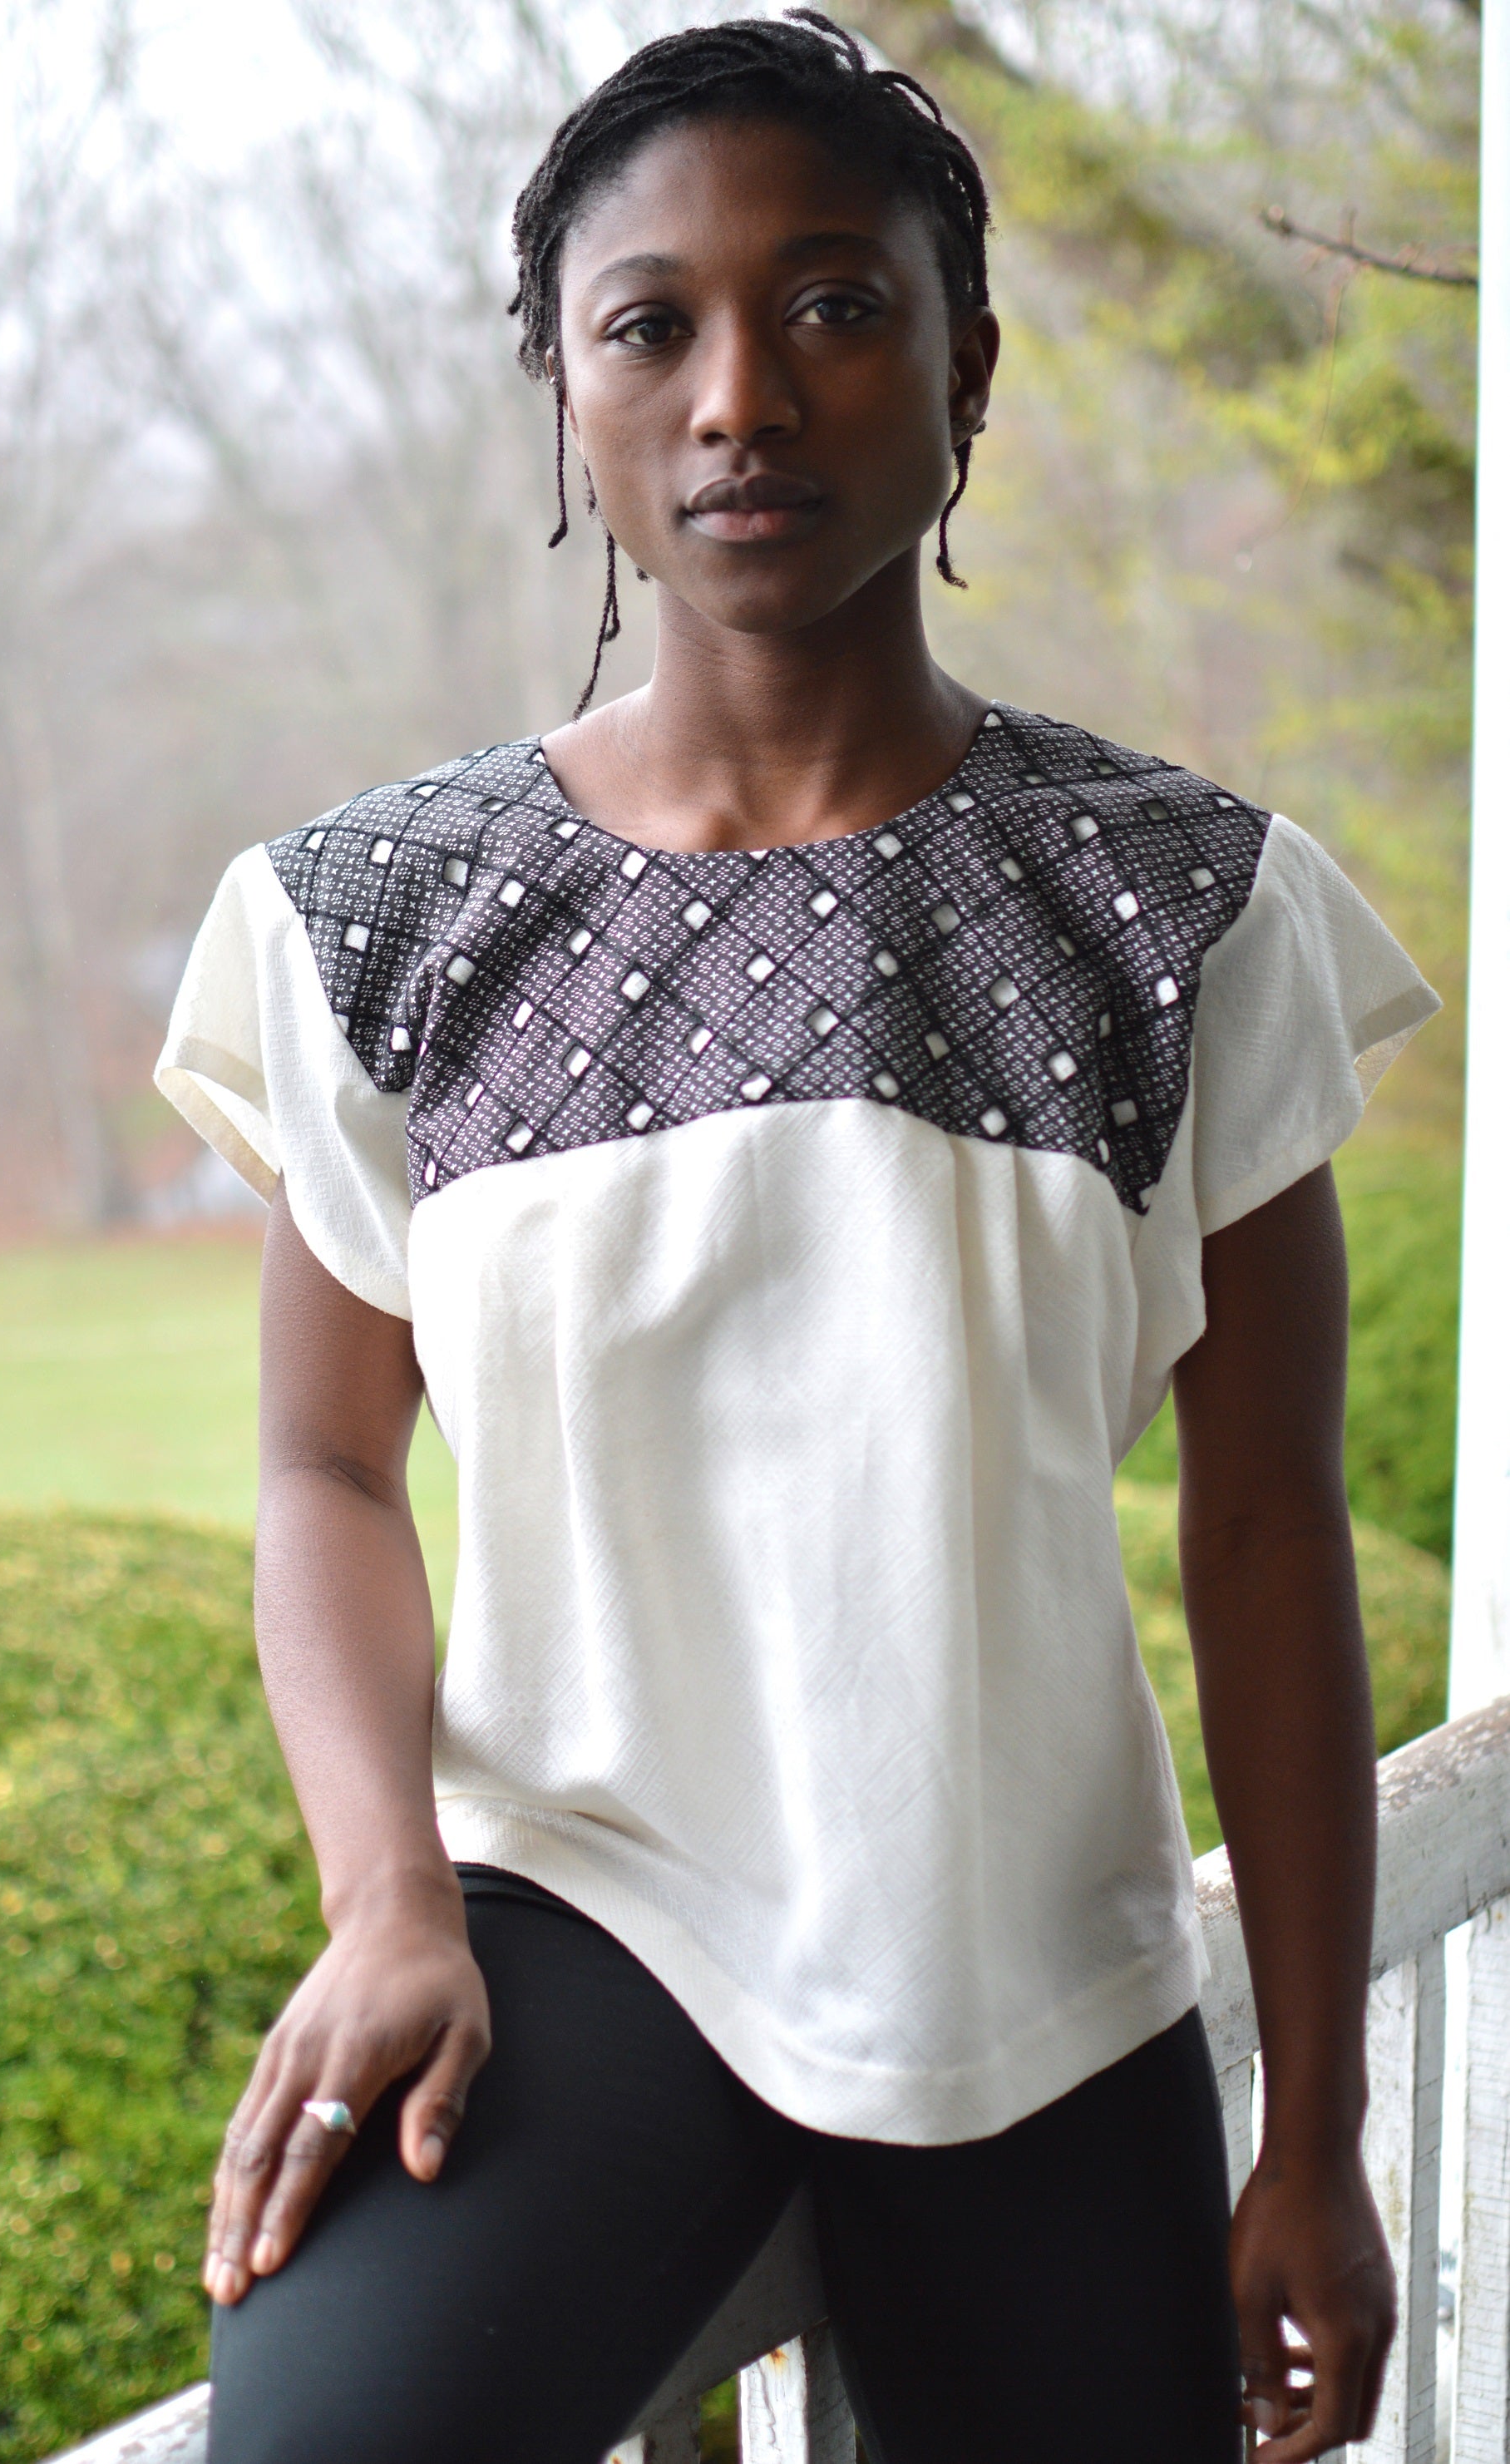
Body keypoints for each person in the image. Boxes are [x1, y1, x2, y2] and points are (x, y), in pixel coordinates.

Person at [156, 16, 1439, 2461]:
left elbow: (1271, 1534)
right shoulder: (380, 921)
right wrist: (382, 1898)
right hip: (572, 1927)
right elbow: (325, 1473)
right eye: (652, 323)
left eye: (836, 304)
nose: (743, 390)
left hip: (1036, 1981)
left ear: (969, 367)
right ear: (567, 392)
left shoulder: (1186, 910)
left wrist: (1307, 2131)